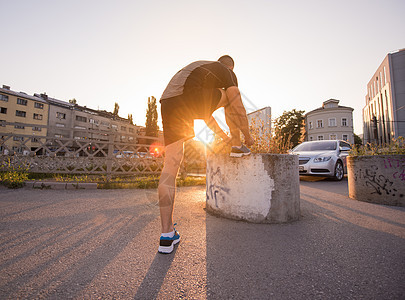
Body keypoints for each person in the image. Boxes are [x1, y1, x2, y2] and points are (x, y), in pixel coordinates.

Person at [158, 55, 254, 254]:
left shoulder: (202, 74)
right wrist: (247, 136)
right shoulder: (226, 71)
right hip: (186, 97)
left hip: (169, 101)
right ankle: (238, 146)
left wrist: (223, 136)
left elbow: (205, 114)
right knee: (231, 98)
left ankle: (166, 235)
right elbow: (237, 105)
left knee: (171, 164)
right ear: (230, 67)